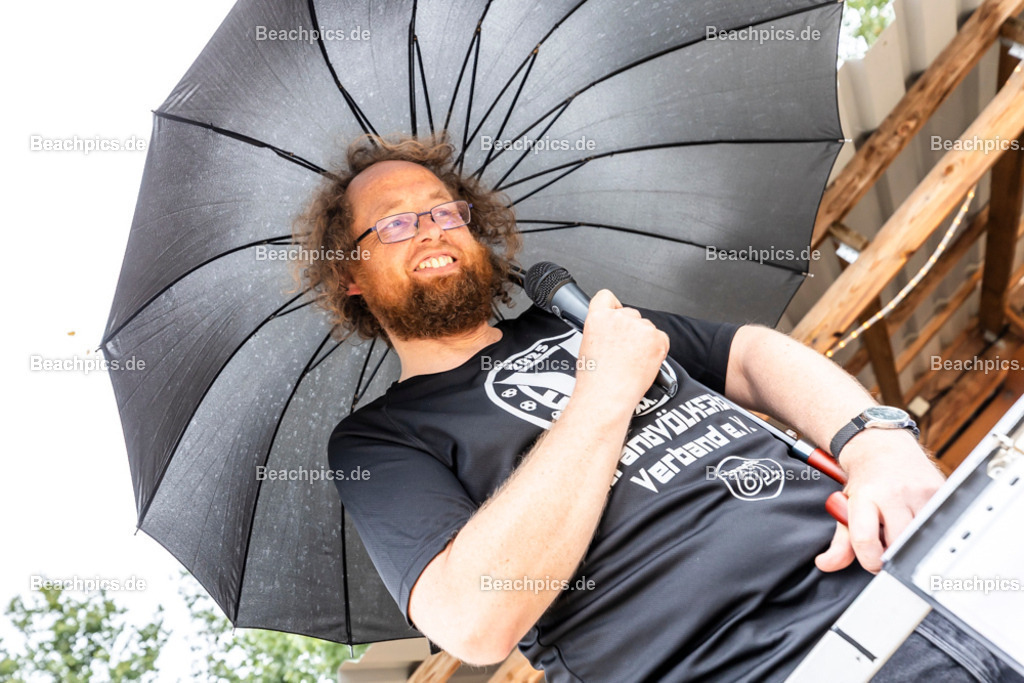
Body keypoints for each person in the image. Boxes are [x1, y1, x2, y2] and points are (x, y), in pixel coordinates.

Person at [295, 134, 1012, 682]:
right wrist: (602, 391)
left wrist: (876, 441)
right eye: (393, 224)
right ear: (350, 274)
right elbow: (473, 619)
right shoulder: (377, 440)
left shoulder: (581, 320)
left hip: (919, 589)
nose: (430, 228)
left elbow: (750, 354)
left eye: (443, 210)